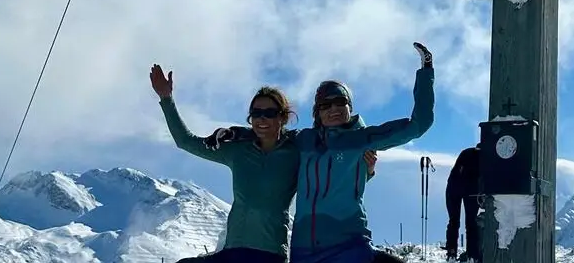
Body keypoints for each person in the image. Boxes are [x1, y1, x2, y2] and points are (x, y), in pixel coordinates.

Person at [289, 42, 437, 263]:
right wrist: (231, 135)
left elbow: (419, 124)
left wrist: (426, 71)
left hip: (349, 247)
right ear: (317, 113)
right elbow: (265, 133)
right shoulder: (303, 140)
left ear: (350, 106)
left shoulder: (362, 139)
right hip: (304, 251)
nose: (334, 109)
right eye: (325, 105)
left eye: (340, 102)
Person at [150, 64, 299, 263]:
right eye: (256, 113)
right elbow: (185, 141)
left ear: (282, 117)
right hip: (233, 252)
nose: (262, 118)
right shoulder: (237, 151)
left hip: (270, 254)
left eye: (270, 113)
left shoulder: (296, 151)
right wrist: (166, 99)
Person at [444, 143, 482, 262]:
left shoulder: (466, 152)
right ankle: (472, 255)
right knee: (470, 223)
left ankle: (452, 253)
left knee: (454, 221)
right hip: (468, 189)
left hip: (454, 188)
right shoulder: (484, 158)